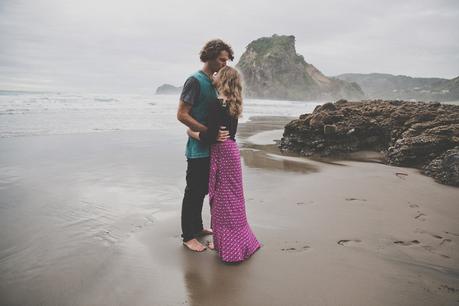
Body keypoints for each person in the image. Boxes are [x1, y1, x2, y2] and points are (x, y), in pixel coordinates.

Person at [187, 66, 261, 263]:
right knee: (234, 198)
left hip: (221, 152)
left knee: (222, 200)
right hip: (232, 151)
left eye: (218, 73)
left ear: (223, 79)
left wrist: (192, 133)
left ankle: (228, 245)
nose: (214, 75)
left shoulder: (216, 102)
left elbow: (211, 135)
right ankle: (237, 241)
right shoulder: (235, 103)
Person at [177, 39, 234, 252]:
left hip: (212, 148)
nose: (224, 64)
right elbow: (181, 115)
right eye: (221, 59)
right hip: (197, 149)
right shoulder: (195, 80)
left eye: (226, 61)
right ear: (209, 56)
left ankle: (198, 227)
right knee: (193, 192)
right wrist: (206, 131)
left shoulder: (213, 81)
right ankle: (188, 236)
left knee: (203, 192)